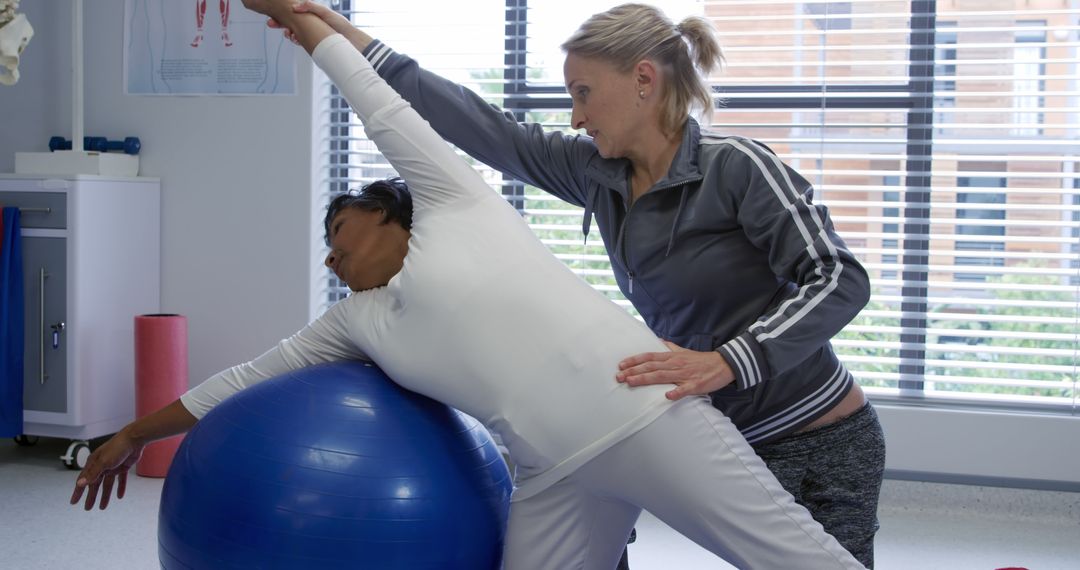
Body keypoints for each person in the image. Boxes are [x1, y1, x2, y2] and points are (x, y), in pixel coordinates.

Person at [71, 3, 864, 569]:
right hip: (551, 471)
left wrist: (305, 22)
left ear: (386, 216)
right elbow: (247, 378)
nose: (329, 259)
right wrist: (132, 434)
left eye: (337, 235)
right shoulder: (357, 322)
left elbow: (383, 106)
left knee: (798, 560)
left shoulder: (457, 208)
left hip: (647, 419)